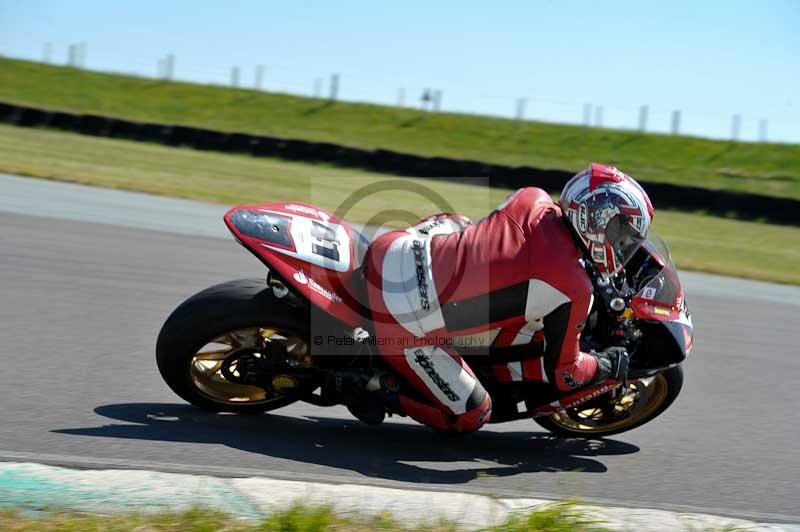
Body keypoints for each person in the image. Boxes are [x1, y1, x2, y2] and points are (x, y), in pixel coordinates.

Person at [363, 163, 654, 432]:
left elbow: (517, 254)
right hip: (401, 318)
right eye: (619, 231)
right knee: (473, 413)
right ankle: (376, 388)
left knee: (461, 223)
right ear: (595, 219)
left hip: (394, 248)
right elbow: (567, 376)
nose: (622, 243)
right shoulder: (574, 289)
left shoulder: (531, 197)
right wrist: (608, 364)